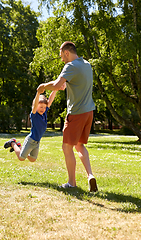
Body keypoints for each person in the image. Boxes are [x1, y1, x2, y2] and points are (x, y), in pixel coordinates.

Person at [37, 41, 98, 192]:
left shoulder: (70, 66)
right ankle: (90, 175)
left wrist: (44, 86)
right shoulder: (86, 64)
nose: (62, 59)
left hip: (76, 112)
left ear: (66, 52)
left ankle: (71, 183)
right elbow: (70, 84)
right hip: (89, 111)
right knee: (79, 145)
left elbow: (57, 85)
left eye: (61, 56)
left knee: (67, 147)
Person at [4, 86, 63, 162]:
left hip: (37, 142)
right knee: (21, 158)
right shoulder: (34, 115)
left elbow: (50, 100)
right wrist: (38, 93)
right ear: (36, 107)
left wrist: (55, 89)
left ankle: (20, 146)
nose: (43, 109)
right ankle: (13, 143)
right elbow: (35, 105)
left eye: (44, 107)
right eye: (41, 107)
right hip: (31, 140)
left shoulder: (44, 113)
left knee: (32, 159)